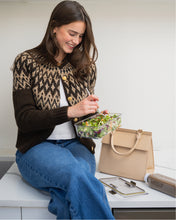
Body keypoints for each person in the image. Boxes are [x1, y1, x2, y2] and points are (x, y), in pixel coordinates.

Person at [12, 1, 114, 219]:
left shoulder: (85, 65)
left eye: (81, 36)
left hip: (77, 146)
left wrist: (96, 121)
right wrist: (70, 110)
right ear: (54, 26)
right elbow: (24, 119)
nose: (76, 41)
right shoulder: (26, 61)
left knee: (68, 192)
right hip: (37, 148)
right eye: (72, 33)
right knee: (80, 177)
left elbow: (81, 118)